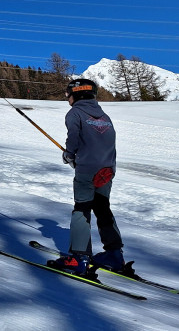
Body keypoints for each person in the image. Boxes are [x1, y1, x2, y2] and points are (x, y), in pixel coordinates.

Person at [49, 79, 127, 276]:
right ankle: (114, 255)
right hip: (107, 170)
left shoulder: (74, 113)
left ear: (75, 94)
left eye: (67, 95)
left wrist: (69, 155)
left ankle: (79, 258)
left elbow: (73, 138)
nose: (67, 99)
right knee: (102, 208)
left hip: (87, 171)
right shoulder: (104, 116)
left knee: (81, 210)